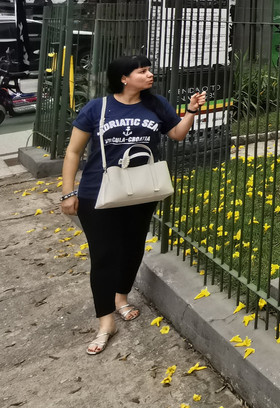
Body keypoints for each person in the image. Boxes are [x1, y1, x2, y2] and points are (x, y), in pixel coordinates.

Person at [59, 55, 206, 356]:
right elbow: (73, 152)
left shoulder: (156, 105)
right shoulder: (97, 108)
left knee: (133, 247)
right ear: (124, 78)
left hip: (140, 191)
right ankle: (105, 323)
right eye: (142, 71)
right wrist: (67, 192)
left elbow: (177, 133)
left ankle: (121, 298)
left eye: (149, 70)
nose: (150, 75)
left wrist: (191, 111)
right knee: (103, 257)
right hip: (97, 193)